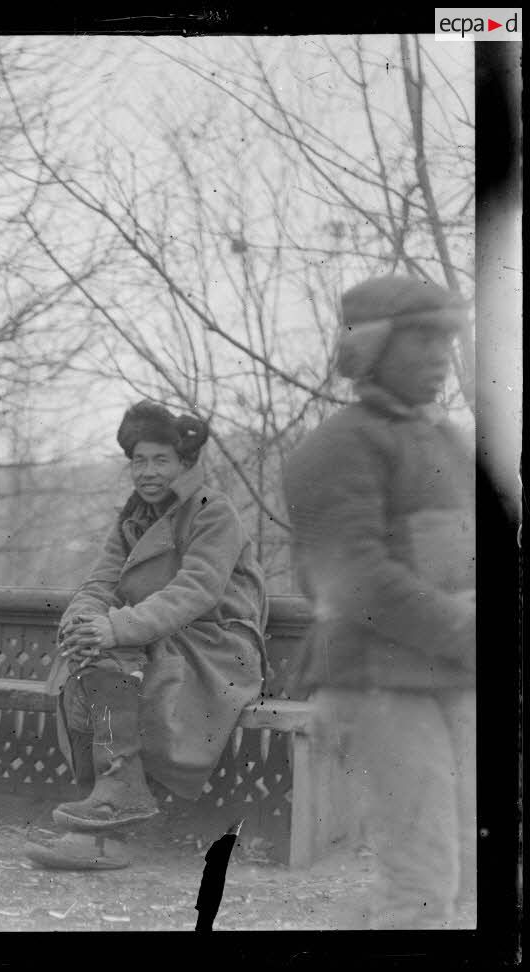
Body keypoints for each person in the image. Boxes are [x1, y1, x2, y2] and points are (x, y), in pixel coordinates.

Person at [283, 276, 475, 929]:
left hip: (451, 673)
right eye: (418, 338)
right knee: (421, 881)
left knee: (469, 868)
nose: (438, 354)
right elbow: (353, 579)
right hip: (375, 679)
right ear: (369, 348)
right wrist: (468, 628)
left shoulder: (448, 441)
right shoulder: (337, 447)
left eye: (445, 337)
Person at [24, 401, 267, 871]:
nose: (148, 471)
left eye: (161, 460)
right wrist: (82, 621)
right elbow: (100, 582)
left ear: (184, 463)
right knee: (88, 656)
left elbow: (196, 589)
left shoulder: (212, 511)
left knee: (116, 658)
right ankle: (109, 805)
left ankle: (115, 807)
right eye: (139, 460)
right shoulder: (131, 518)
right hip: (154, 636)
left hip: (217, 643)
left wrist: (114, 626)